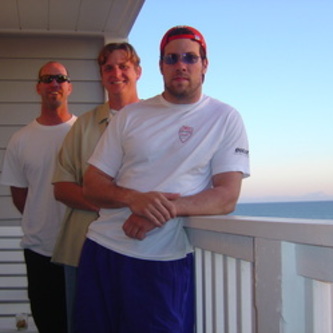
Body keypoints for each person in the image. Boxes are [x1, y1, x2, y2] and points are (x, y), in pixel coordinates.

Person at [79, 26, 250, 333]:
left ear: (204, 64)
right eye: (171, 58)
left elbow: (226, 196)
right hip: (102, 250)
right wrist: (135, 199)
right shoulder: (131, 116)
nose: (180, 64)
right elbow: (92, 185)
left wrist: (159, 210)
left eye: (190, 57)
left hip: (162, 261)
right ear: (161, 66)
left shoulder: (224, 118)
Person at [51, 42, 141, 333]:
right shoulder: (84, 125)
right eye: (108, 68)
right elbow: (62, 186)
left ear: (138, 71)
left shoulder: (156, 120)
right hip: (81, 249)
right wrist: (113, 202)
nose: (116, 73)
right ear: (101, 76)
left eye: (123, 66)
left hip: (141, 249)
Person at [0, 61, 77, 333]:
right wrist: (41, 219)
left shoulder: (83, 134)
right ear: (38, 88)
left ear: (69, 87)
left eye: (60, 78)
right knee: (48, 323)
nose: (54, 83)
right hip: (39, 250)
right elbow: (20, 197)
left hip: (80, 249)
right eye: (47, 79)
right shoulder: (21, 139)